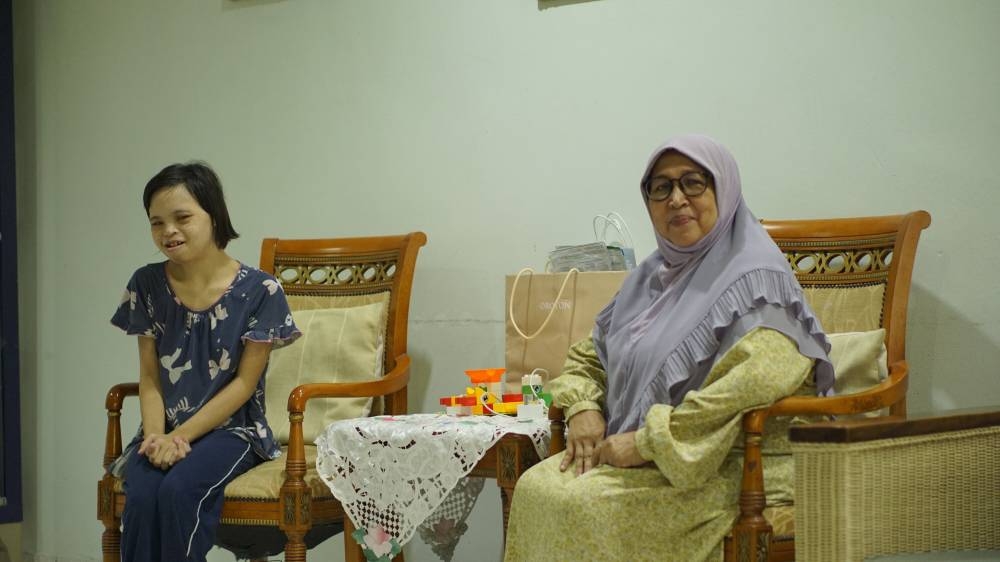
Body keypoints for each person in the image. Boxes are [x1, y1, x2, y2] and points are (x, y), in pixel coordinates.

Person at [503, 135, 835, 562]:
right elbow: (590, 356)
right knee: (536, 487)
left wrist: (647, 442)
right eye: (661, 188)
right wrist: (583, 407)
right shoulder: (650, 279)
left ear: (724, 190)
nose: (677, 199)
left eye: (693, 183)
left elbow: (755, 382)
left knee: (581, 506)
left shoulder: (758, 278)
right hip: (654, 461)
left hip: (736, 462)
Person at [109, 162, 301, 562]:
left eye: (182, 218)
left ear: (214, 216)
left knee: (180, 490)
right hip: (163, 430)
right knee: (141, 493)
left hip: (234, 432)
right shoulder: (145, 284)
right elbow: (149, 377)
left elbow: (244, 385)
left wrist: (180, 439)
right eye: (156, 222)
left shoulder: (260, 290)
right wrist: (157, 437)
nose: (168, 232)